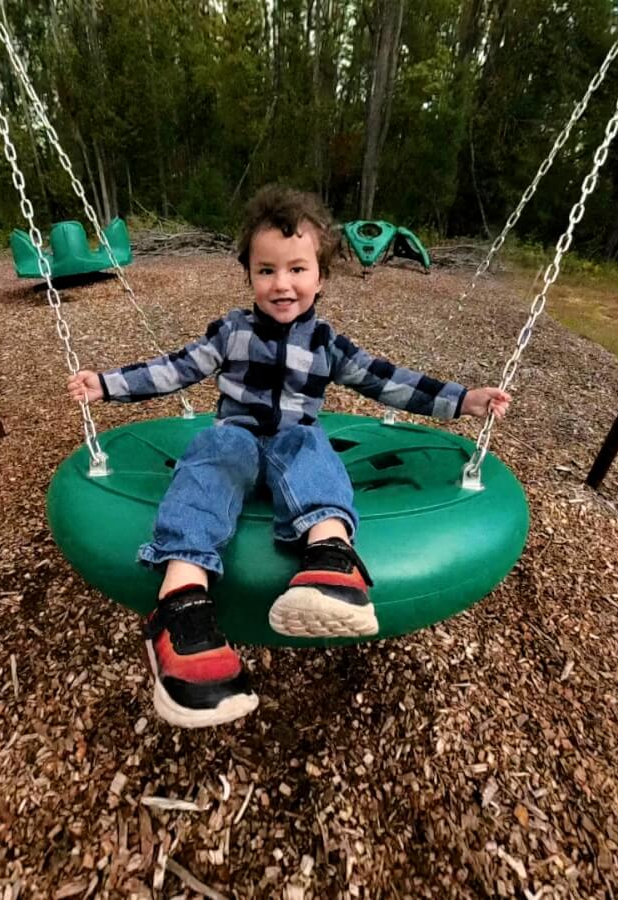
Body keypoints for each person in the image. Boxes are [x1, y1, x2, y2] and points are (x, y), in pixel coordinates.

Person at [67, 185, 510, 728]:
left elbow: (386, 381)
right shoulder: (230, 332)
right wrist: (106, 386)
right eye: (266, 270)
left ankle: (330, 567)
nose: (282, 284)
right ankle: (181, 609)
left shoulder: (327, 343)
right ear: (249, 276)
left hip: (292, 446)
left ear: (320, 277)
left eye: (297, 269)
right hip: (236, 439)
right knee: (212, 452)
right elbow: (176, 368)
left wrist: (463, 400)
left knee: (309, 443)